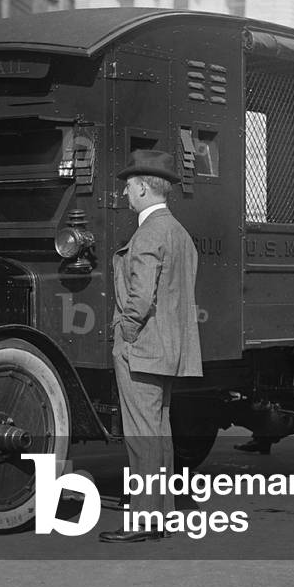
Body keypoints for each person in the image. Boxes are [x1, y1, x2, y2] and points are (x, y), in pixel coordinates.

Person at [99, 150, 203, 543]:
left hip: (141, 349)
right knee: (159, 435)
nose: (125, 194)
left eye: (128, 187)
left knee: (142, 438)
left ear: (143, 187)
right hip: (168, 350)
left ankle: (144, 522)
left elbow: (140, 298)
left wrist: (124, 335)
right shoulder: (178, 233)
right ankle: (160, 517)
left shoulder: (148, 234)